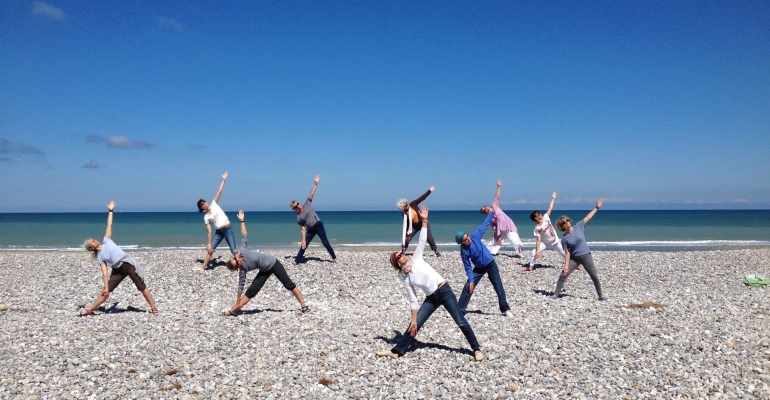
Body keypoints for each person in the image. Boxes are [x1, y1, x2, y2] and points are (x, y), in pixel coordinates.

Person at [377, 206, 483, 361]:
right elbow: (413, 300)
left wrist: (424, 220)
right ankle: (397, 350)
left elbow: (422, 239)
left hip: (444, 291)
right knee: (415, 324)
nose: (401, 254)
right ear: (398, 263)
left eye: (400, 253)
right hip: (431, 298)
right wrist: (413, 321)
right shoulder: (407, 279)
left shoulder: (417, 258)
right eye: (398, 256)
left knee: (460, 320)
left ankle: (476, 349)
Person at [222, 210, 310, 315]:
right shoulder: (243, 270)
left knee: (288, 284)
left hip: (273, 263)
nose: (238, 259)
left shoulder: (243, 252)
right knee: (251, 291)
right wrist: (237, 302)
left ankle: (304, 306)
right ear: (237, 268)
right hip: (264, 270)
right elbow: (240, 286)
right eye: (236, 262)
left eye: (235, 259)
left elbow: (244, 235)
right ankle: (233, 311)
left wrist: (242, 221)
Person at [80, 201, 158, 316]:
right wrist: (106, 288)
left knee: (141, 286)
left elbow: (109, 224)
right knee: (105, 292)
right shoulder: (100, 257)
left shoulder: (106, 240)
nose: (94, 239)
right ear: (91, 248)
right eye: (92, 241)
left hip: (127, 264)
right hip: (117, 270)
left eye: (93, 239)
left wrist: (111, 210)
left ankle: (153, 307)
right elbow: (105, 273)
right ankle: (90, 310)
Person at [455, 204, 514, 318]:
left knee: (498, 286)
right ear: (462, 243)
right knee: (468, 286)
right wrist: (471, 281)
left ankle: (505, 309)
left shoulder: (475, 236)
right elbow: (467, 267)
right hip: (479, 268)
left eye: (467, 237)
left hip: (491, 264)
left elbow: (485, 224)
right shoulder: (464, 252)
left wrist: (493, 212)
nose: (468, 239)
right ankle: (460, 309)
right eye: (465, 240)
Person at [551, 199, 608, 301]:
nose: (566, 222)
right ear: (562, 226)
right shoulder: (564, 238)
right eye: (564, 222)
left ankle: (601, 296)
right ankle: (555, 294)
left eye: (567, 220)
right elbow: (567, 253)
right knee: (563, 275)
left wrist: (597, 207)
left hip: (586, 256)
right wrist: (566, 267)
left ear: (569, 221)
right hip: (575, 258)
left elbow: (588, 217)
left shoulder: (579, 226)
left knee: (594, 275)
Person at [290, 174, 337, 264]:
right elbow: (303, 229)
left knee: (325, 243)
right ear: (295, 208)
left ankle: (334, 258)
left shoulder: (307, 204)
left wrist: (316, 183)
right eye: (296, 205)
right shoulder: (299, 217)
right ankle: (296, 261)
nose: (298, 205)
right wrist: (303, 240)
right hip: (310, 229)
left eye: (298, 203)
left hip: (318, 225)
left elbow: (312, 193)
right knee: (304, 245)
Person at [196, 171, 236, 270]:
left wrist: (223, 179)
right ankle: (202, 267)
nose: (204, 203)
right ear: (201, 208)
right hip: (219, 232)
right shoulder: (206, 217)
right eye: (202, 204)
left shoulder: (214, 204)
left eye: (204, 201)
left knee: (234, 250)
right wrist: (209, 243)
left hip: (227, 229)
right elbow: (209, 231)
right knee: (210, 250)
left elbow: (219, 191)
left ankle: (240, 264)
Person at [481, 180, 523, 257]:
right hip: (500, 229)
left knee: (515, 241)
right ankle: (489, 252)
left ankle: (519, 253)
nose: (485, 208)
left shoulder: (494, 206)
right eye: (484, 210)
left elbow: (497, 196)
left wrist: (499, 186)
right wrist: (498, 237)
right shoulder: (489, 218)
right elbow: (494, 228)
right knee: (494, 240)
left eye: (484, 207)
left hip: (509, 225)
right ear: (484, 212)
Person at [525, 192, 565, 272]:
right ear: (535, 218)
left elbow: (550, 208)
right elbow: (538, 240)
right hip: (545, 243)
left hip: (555, 241)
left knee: (564, 254)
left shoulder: (546, 218)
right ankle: (530, 267)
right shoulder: (537, 228)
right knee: (533, 252)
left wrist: (553, 198)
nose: (540, 215)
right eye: (537, 215)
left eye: (539, 214)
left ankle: (575, 265)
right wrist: (538, 251)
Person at [397, 186, 441, 256]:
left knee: (429, 238)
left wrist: (429, 191)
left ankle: (436, 251)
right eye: (406, 205)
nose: (408, 205)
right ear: (403, 208)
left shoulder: (413, 204)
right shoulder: (404, 215)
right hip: (413, 226)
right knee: (407, 239)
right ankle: (403, 250)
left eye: (407, 203)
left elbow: (422, 198)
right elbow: (406, 226)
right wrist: (407, 235)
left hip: (422, 223)